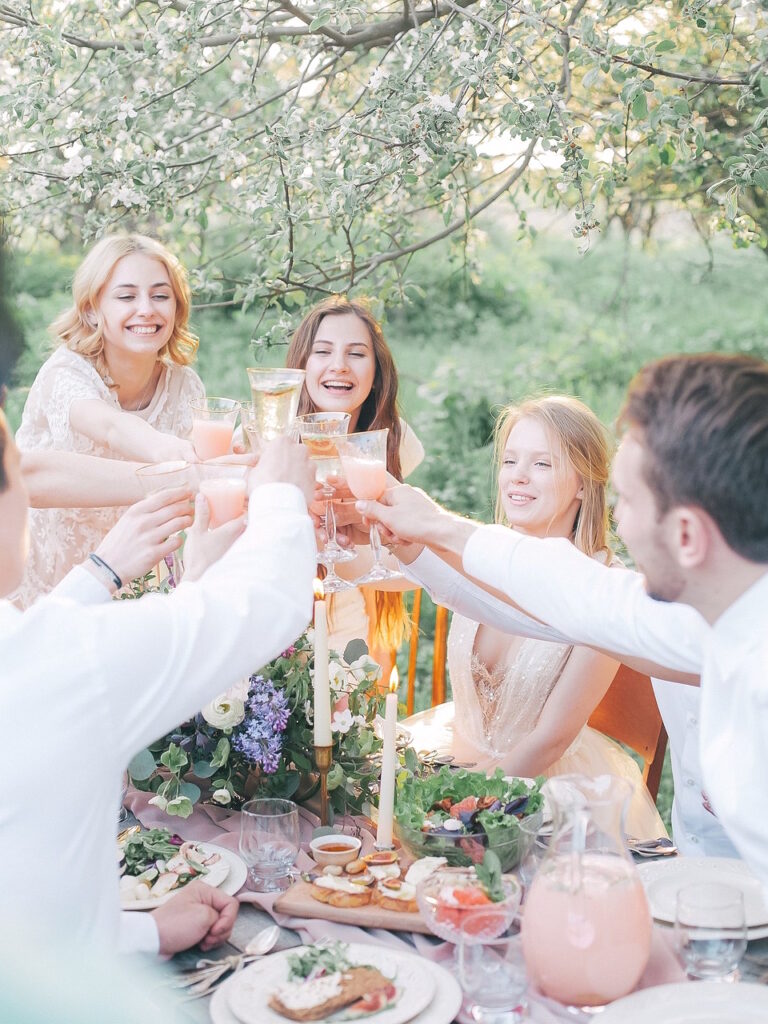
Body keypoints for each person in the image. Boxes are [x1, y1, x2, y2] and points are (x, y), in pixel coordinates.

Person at [357, 354, 768, 886]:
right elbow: (558, 596)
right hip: (698, 870)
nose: (617, 519)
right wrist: (418, 535)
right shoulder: (680, 617)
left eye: (628, 500)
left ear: (688, 534)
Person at [0, 411, 317, 949]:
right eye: (18, 471)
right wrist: (281, 496)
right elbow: (267, 602)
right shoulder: (60, 661)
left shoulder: (32, 652)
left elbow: (25, 905)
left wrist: (145, 932)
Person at [398, 396, 664, 837]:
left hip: (544, 785)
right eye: (510, 460)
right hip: (456, 751)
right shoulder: (485, 551)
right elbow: (412, 564)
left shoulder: (602, 587)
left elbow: (552, 738)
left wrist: (462, 806)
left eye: (542, 463)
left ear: (583, 484)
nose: (517, 476)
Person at [14, 233, 207, 607]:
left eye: (160, 296)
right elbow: (109, 427)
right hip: (45, 580)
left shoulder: (185, 386)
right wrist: (168, 457)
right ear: (91, 310)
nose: (146, 309)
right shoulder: (65, 372)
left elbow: (199, 488)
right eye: (126, 297)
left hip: (133, 583)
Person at [286, 296, 423, 671]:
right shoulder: (268, 437)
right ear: (302, 366)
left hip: (349, 631)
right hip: (279, 628)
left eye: (357, 354)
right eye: (323, 351)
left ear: (377, 372)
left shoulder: (392, 440)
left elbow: (396, 566)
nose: (339, 365)